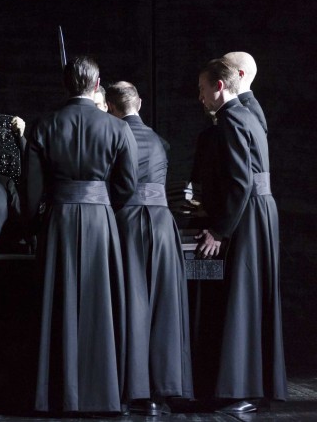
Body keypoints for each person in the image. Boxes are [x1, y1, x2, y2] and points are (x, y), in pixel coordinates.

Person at [24, 56, 138, 415]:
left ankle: (57, 395)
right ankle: (102, 393)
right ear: (97, 83)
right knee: (101, 303)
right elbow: (127, 186)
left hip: (58, 221)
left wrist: (33, 225)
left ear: (65, 84)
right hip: (100, 221)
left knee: (58, 302)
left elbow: (31, 191)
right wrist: (101, 203)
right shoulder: (118, 128)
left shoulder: (44, 126)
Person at [193, 58, 286, 413]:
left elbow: (239, 182)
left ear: (219, 86)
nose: (200, 97)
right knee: (253, 297)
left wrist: (219, 230)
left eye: (203, 89)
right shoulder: (249, 114)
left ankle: (240, 392)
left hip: (247, 214)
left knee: (242, 299)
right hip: (261, 211)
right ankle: (250, 389)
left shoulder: (231, 120)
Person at [106, 81, 193, 415]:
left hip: (128, 223)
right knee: (163, 305)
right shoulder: (159, 140)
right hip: (162, 224)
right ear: (139, 103)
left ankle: (133, 390)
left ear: (110, 108)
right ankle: (162, 390)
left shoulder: (113, 136)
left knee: (132, 303)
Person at [222, 51, 267, 134]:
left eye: (224, 70)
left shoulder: (246, 110)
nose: (219, 74)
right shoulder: (245, 107)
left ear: (240, 74)